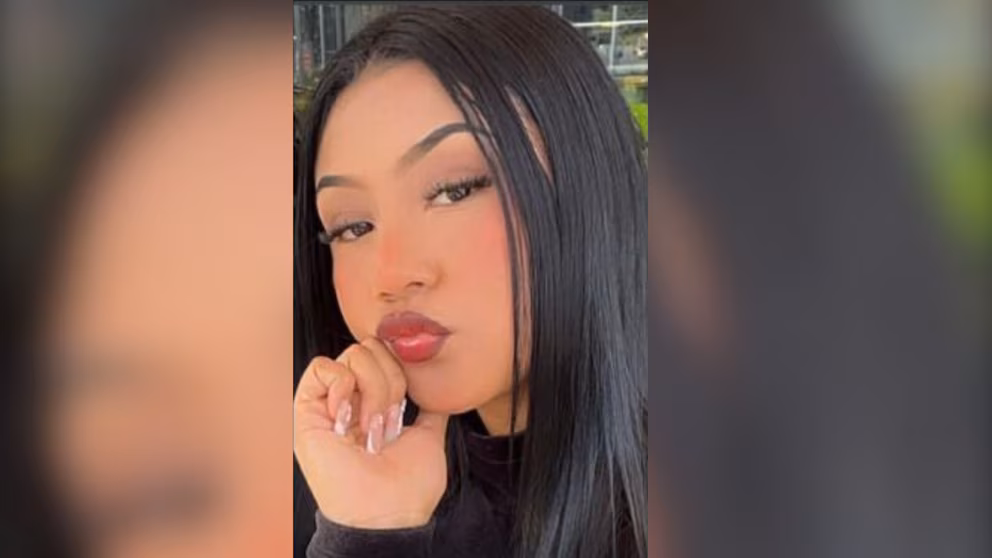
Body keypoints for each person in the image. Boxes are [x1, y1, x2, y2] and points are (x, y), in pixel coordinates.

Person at [293, 6, 647, 558]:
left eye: (454, 191)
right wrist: (370, 531)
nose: (391, 275)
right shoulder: (378, 481)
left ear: (585, 183)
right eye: (352, 226)